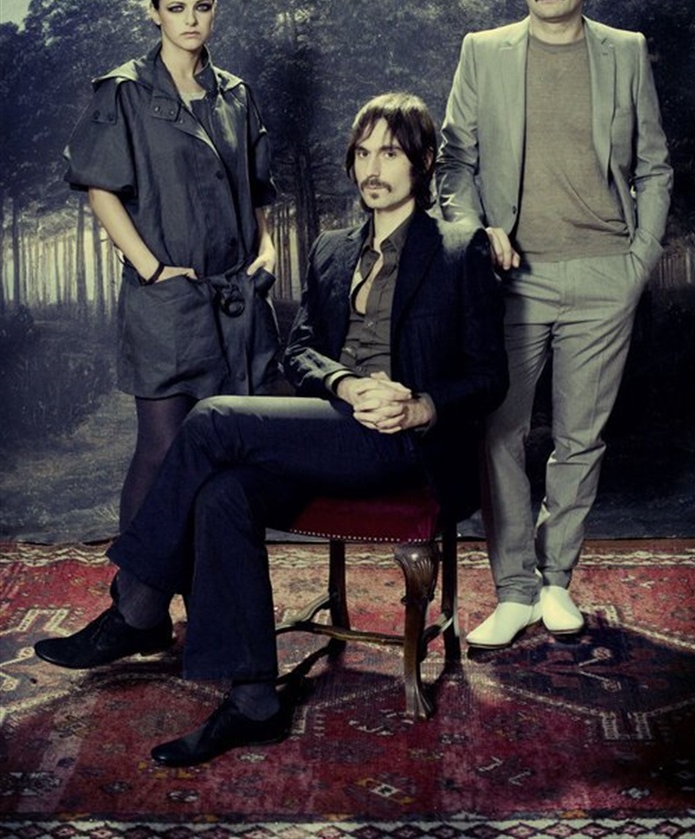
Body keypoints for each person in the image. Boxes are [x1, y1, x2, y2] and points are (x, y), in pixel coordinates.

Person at [34, 92, 508, 766]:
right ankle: (254, 698)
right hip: (340, 427)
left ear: (425, 161)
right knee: (223, 493)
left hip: (407, 443)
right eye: (362, 153)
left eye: (391, 153)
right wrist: (343, 382)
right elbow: (301, 349)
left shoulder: (460, 250)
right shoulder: (332, 249)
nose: (373, 169)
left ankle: (138, 607)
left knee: (213, 418)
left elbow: (490, 377)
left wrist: (421, 406)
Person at [437, 0, 673, 648]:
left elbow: (653, 166)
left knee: (579, 438)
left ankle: (554, 581)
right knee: (499, 432)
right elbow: (455, 162)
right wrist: (477, 232)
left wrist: (639, 261)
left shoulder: (626, 52)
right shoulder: (483, 52)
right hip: (510, 279)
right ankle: (513, 590)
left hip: (604, 274)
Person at [64, 0, 281, 535]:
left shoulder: (236, 95)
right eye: (176, 7)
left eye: (201, 7)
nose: (190, 20)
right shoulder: (125, 91)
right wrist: (152, 269)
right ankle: (137, 588)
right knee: (161, 448)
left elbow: (257, 189)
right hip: (166, 302)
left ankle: (210, 582)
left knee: (228, 455)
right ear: (154, 12)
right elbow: (101, 190)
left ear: (215, 10)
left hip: (236, 299)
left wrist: (266, 250)